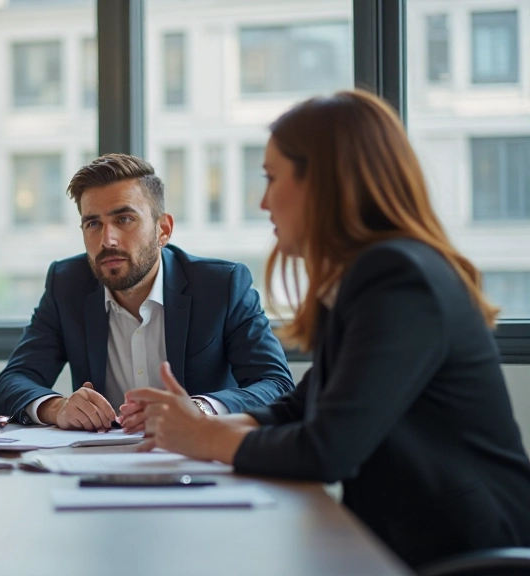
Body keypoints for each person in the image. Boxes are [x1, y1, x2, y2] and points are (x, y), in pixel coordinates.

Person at [128, 90, 530, 569]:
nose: (263, 201)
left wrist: (202, 437)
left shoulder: (399, 278)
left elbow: (326, 450)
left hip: (466, 550)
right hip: (404, 540)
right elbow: (300, 408)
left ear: (323, 183)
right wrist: (193, 426)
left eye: (272, 178)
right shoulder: (363, 276)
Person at [0, 153, 293, 431]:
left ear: (163, 230)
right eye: (93, 223)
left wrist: (199, 409)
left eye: (124, 219)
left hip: (196, 456)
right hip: (96, 460)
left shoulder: (221, 285)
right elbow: (11, 383)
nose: (107, 240)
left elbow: (277, 385)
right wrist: (58, 407)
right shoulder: (67, 284)